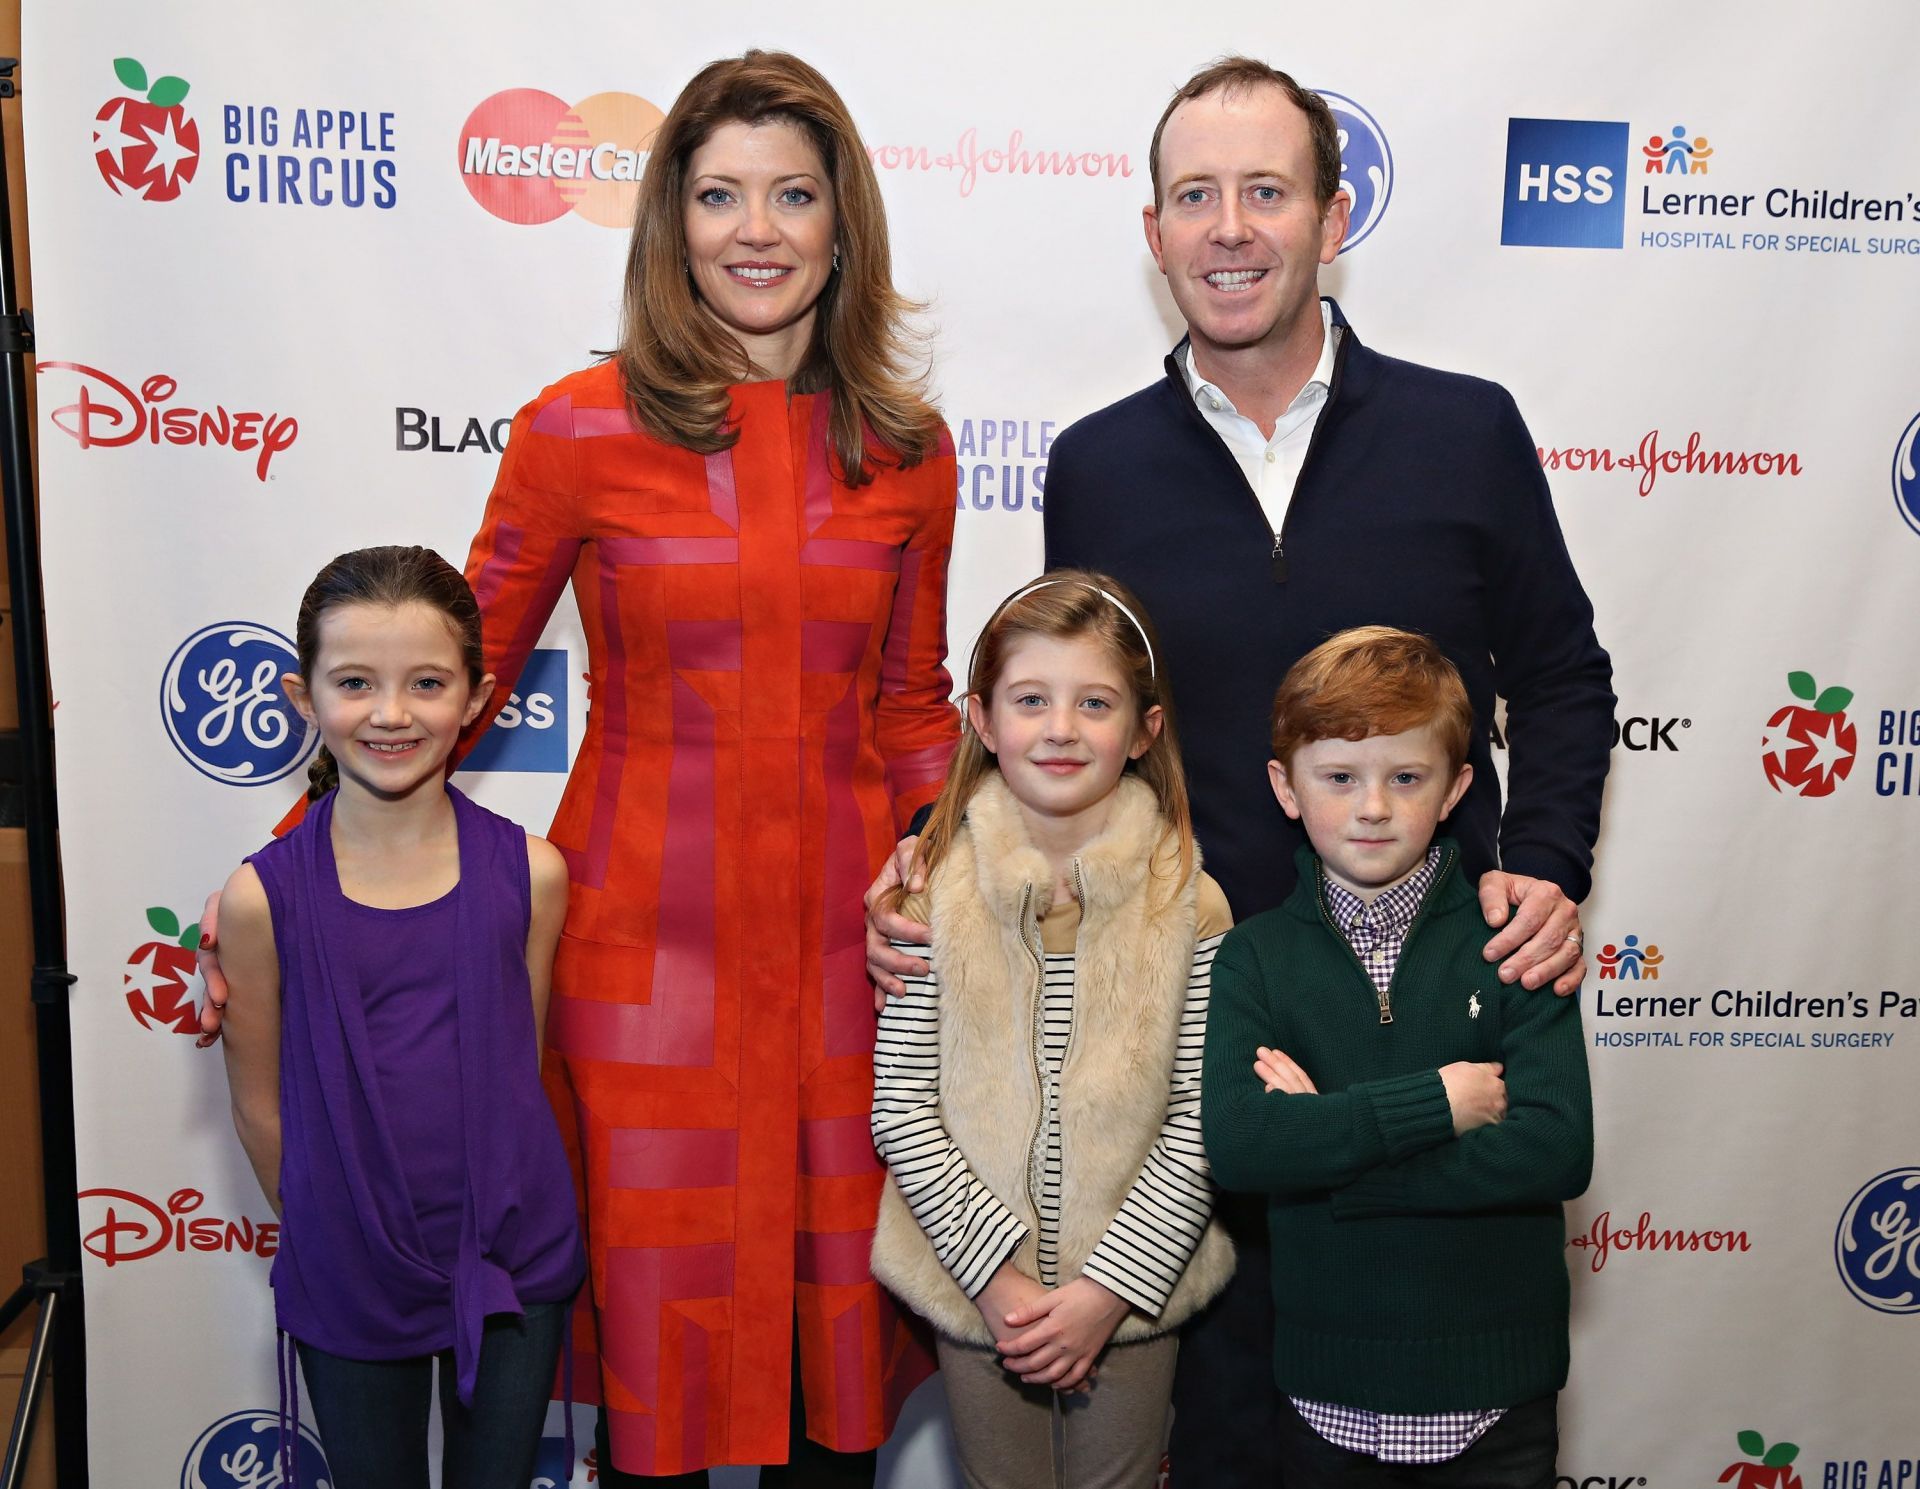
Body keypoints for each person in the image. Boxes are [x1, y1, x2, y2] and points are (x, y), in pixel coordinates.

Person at [206, 51, 960, 1485]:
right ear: (669, 220)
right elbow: (448, 684)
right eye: (719, 193)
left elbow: (916, 706)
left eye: (794, 195)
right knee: (653, 1360)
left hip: (848, 968)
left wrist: (935, 847)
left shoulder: (907, 451)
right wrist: (295, 886)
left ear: (842, 224)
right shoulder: (575, 429)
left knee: (835, 1359)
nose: (756, 228)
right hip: (632, 966)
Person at [867, 55, 1611, 1486]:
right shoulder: (1097, 465)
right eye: (1195, 195)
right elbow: (1065, 712)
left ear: (1332, 218)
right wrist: (926, 845)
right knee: (1215, 1432)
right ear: (1151, 232)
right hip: (1192, 1026)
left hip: (1424, 1002)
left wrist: (1551, 869)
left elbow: (1567, 678)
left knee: (1446, 1410)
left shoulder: (1466, 428)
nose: (1229, 228)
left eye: (1266, 191)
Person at [217, 546, 585, 1489]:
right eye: (355, 683)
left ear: (475, 696)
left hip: (514, 1261)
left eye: (426, 682)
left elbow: (517, 1060)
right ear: (304, 698)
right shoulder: (262, 899)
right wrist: (333, 1227)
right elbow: (259, 1105)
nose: (390, 713)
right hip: (348, 1264)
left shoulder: (532, 874)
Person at [1203, 626, 1593, 1488]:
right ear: (1286, 788)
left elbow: (1556, 1147)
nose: (1372, 806)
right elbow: (1240, 1147)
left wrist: (1330, 1156)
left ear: (1456, 788)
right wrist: (1439, 1104)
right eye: (1340, 777)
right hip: (1324, 1395)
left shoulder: (1514, 938)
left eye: (1405, 777)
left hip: (1500, 1399)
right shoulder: (1254, 957)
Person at [868, 573, 1235, 1489]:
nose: (1062, 727)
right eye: (1032, 700)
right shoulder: (929, 891)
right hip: (974, 1290)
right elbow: (904, 1107)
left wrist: (1102, 1294)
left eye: (1095, 702)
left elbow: (1201, 1115)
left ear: (1145, 729)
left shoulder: (1192, 899)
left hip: (1132, 1299)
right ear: (984, 720)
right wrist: (1000, 1286)